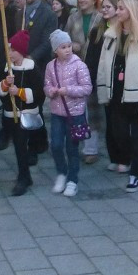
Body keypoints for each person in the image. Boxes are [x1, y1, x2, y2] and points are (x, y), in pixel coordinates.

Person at [96, 0, 138, 192]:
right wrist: (102, 92)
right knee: (119, 134)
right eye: (119, 7)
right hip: (116, 94)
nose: (118, 11)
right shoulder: (111, 35)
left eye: (122, 8)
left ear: (131, 11)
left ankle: (135, 175)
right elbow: (103, 65)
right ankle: (128, 161)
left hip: (137, 96)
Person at [44, 29, 92, 199]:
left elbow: (87, 88)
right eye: (63, 47)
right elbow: (47, 85)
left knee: (72, 148)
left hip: (75, 113)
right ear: (55, 50)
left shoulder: (79, 65)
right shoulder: (51, 66)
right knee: (56, 144)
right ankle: (61, 173)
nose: (67, 50)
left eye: (69, 46)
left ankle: (73, 179)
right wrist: (51, 91)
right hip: (57, 111)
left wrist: (68, 90)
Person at [0, 30, 45, 196]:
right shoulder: (8, 68)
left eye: (13, 50)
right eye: (8, 50)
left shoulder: (31, 69)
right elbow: (1, 92)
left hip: (26, 114)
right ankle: (24, 175)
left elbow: (39, 92)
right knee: (18, 147)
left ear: (21, 52)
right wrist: (5, 84)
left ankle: (23, 177)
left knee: (21, 147)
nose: (9, 53)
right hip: (11, 115)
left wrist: (19, 92)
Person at [65, 0, 104, 163]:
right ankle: (78, 140)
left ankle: (91, 148)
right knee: (78, 108)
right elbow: (64, 39)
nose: (82, 0)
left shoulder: (101, 18)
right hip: (76, 66)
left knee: (92, 109)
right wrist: (71, 45)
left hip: (95, 67)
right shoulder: (73, 18)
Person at [22, 0, 58, 66]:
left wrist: (32, 56)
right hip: (21, 60)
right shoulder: (20, 12)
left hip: (39, 62)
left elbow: (47, 41)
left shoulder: (49, 14)